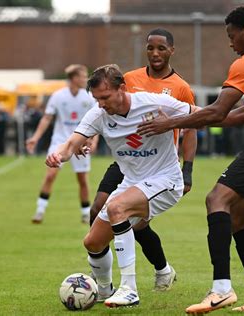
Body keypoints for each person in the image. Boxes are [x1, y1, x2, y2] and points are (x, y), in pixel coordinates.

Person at [138, 6, 244, 313]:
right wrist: (195, 117)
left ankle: (221, 288)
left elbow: (218, 110)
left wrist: (172, 122)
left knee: (216, 199)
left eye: (231, 36)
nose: (230, 44)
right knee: (237, 219)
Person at [46, 65, 193, 307]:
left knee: (117, 208)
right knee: (92, 243)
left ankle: (130, 289)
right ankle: (104, 290)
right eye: (96, 99)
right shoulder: (98, 114)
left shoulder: (153, 102)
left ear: (122, 89)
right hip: (131, 182)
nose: (101, 104)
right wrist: (58, 155)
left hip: (166, 179)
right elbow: (73, 141)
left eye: (105, 97)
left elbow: (202, 114)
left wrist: (171, 123)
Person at [88, 28, 197, 292]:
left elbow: (191, 127)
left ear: (172, 51)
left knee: (134, 223)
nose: (155, 53)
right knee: (97, 209)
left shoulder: (180, 87)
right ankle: (103, 278)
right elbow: (106, 112)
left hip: (157, 163)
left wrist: (188, 170)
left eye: (161, 48)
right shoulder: (129, 79)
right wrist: (88, 140)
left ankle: (161, 270)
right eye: (150, 48)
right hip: (126, 159)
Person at [26, 64, 97, 224]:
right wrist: (35, 138)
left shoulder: (89, 96)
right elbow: (47, 118)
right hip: (60, 142)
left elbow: (96, 120)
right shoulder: (58, 96)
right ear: (73, 78)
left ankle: (86, 213)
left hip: (80, 142)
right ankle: (39, 211)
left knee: (82, 179)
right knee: (50, 175)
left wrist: (93, 140)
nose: (86, 79)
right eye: (83, 76)